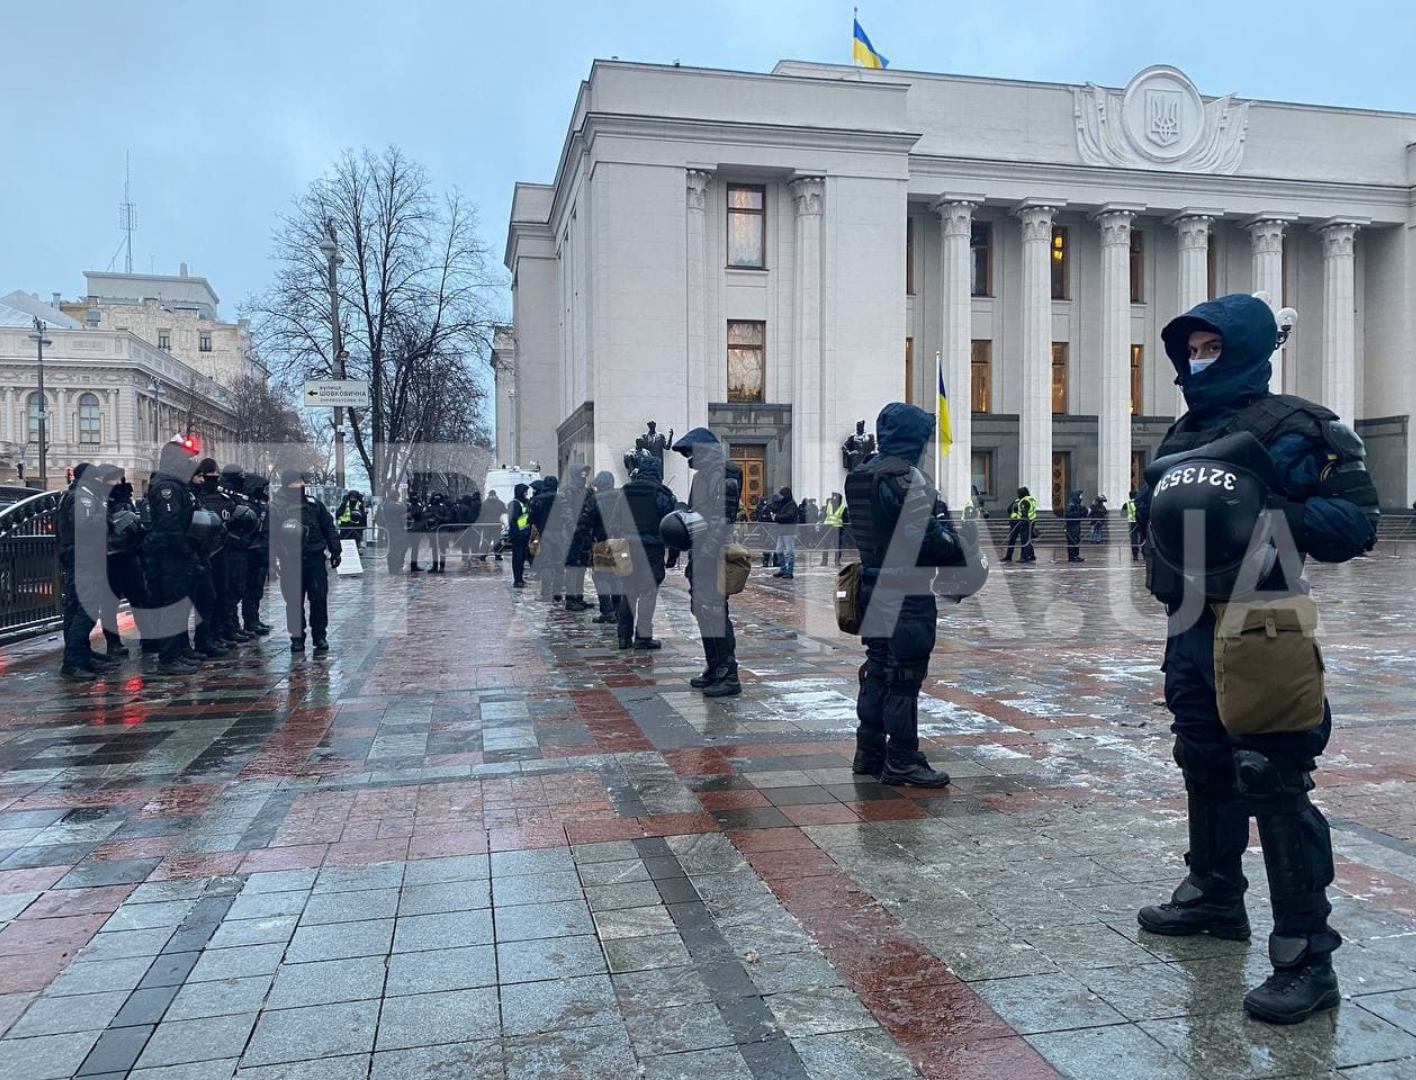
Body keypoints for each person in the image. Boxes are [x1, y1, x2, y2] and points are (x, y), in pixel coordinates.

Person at [1135, 294, 1380, 1025]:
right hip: (1187, 620)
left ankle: (1306, 957)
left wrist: (1268, 510)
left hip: (1263, 619)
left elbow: (1356, 524)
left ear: (1245, 348)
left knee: (1270, 776)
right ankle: (1213, 896)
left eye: (1212, 346)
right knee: (1202, 758)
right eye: (1191, 349)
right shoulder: (1183, 429)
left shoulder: (1301, 425)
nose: (1198, 360)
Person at [846, 403, 970, 788]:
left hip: (871, 582)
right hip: (906, 589)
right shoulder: (908, 478)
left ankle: (868, 752)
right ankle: (901, 759)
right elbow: (926, 540)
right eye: (924, 437)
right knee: (904, 675)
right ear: (913, 437)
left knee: (877, 666)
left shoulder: (860, 474)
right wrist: (958, 547)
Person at [670, 428, 744, 697]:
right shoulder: (702, 475)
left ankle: (728, 674)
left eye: (691, 452)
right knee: (701, 610)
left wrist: (708, 552)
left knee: (715, 612)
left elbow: (723, 518)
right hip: (699, 552)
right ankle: (714, 667)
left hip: (713, 554)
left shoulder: (725, 472)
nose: (689, 457)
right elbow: (695, 515)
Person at [143, 438, 203, 674]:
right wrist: (185, 550)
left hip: (177, 553)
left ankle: (178, 650)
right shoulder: (166, 486)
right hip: (171, 554)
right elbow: (170, 525)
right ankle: (169, 657)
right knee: (172, 605)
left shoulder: (176, 484)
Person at [57, 463, 123, 681]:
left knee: (77, 609)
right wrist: (104, 515)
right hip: (84, 557)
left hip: (80, 556)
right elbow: (85, 525)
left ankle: (81, 656)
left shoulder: (76, 495)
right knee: (86, 610)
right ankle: (73, 661)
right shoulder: (83, 497)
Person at [270, 470, 341, 652]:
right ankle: (297, 638)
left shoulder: (314, 504)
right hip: (290, 561)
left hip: (315, 559)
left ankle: (320, 636)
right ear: (287, 484)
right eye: (296, 482)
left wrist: (335, 550)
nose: (301, 485)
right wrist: (272, 561)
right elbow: (270, 537)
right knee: (294, 602)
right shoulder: (277, 507)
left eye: (302, 482)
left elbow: (328, 527)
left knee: (319, 600)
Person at [614, 455, 677, 649]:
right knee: (648, 592)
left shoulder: (625, 492)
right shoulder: (663, 494)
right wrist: (673, 555)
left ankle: (623, 636)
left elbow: (614, 522)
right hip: (651, 549)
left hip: (627, 547)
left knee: (629, 590)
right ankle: (643, 637)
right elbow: (673, 527)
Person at [191, 458, 235, 657]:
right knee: (205, 598)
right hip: (202, 553)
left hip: (219, 551)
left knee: (219, 595)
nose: (210, 480)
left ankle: (216, 634)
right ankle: (205, 638)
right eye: (207, 476)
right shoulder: (194, 497)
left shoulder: (223, 499)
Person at [103, 474, 149, 657]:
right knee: (111, 603)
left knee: (139, 598)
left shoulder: (124, 498)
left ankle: (148, 637)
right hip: (110, 557)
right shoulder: (100, 500)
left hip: (129, 555)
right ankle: (113, 643)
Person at [219, 464, 258, 644]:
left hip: (241, 546)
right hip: (230, 548)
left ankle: (233, 625)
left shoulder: (237, 494)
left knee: (238, 588)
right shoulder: (225, 495)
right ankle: (229, 626)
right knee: (230, 590)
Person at [563, 465, 600, 612]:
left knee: (582, 566)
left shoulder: (588, 491)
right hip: (572, 535)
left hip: (586, 534)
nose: (584, 474)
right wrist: (573, 528)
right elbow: (565, 510)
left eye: (585, 472)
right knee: (573, 566)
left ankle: (579, 596)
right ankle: (570, 599)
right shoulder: (568, 491)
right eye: (581, 472)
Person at [241, 475, 273, 634]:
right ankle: (250, 621)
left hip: (263, 551)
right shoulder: (249, 506)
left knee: (257, 589)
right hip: (252, 552)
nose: (265, 492)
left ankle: (254, 619)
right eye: (263, 488)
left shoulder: (262, 506)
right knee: (251, 588)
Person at [507, 483, 533, 588]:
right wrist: (517, 533)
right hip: (518, 535)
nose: (526, 493)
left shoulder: (524, 503)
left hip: (525, 533)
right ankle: (517, 580)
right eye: (525, 491)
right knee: (518, 558)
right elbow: (513, 520)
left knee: (522, 557)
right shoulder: (515, 503)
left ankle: (520, 579)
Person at [771, 487, 798, 579]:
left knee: (790, 552)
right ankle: (783, 570)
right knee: (778, 551)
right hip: (782, 531)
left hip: (789, 531)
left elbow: (788, 516)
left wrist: (777, 517)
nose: (780, 497)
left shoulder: (792, 505)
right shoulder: (783, 504)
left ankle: (789, 572)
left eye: (782, 495)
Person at [425, 492, 454, 573]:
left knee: (442, 549)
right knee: (434, 549)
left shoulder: (443, 506)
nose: (436, 499)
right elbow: (424, 516)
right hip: (433, 531)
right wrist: (431, 516)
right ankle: (434, 566)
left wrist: (440, 518)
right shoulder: (429, 506)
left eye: (438, 497)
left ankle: (442, 567)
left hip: (442, 531)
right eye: (435, 497)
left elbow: (449, 517)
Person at [820, 492, 847, 566]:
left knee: (831, 546)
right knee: (831, 546)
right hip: (831, 528)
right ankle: (831, 561)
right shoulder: (830, 506)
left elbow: (823, 516)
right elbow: (845, 519)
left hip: (834, 529)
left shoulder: (841, 507)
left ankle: (828, 561)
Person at [480, 488, 507, 562]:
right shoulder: (500, 503)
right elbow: (504, 513)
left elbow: (481, 514)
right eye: (491, 495)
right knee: (496, 541)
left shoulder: (485, 503)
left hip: (488, 524)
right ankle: (497, 555)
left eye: (492, 495)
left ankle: (483, 555)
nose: (492, 497)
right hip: (496, 524)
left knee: (487, 540)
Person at [1064, 489, 1086, 563]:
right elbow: (1068, 515)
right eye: (1080, 495)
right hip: (1071, 528)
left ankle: (1076, 555)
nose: (1081, 497)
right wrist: (1078, 513)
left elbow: (1084, 514)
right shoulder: (1071, 505)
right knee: (1072, 542)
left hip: (1076, 527)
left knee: (1076, 541)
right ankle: (1072, 557)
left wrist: (1084, 511)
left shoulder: (1077, 505)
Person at [1123, 490, 1144, 561]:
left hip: (1132, 522)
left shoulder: (1126, 504)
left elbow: (1123, 515)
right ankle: (1144, 553)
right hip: (1140, 521)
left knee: (1134, 538)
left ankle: (1135, 555)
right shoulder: (1139, 502)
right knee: (1142, 536)